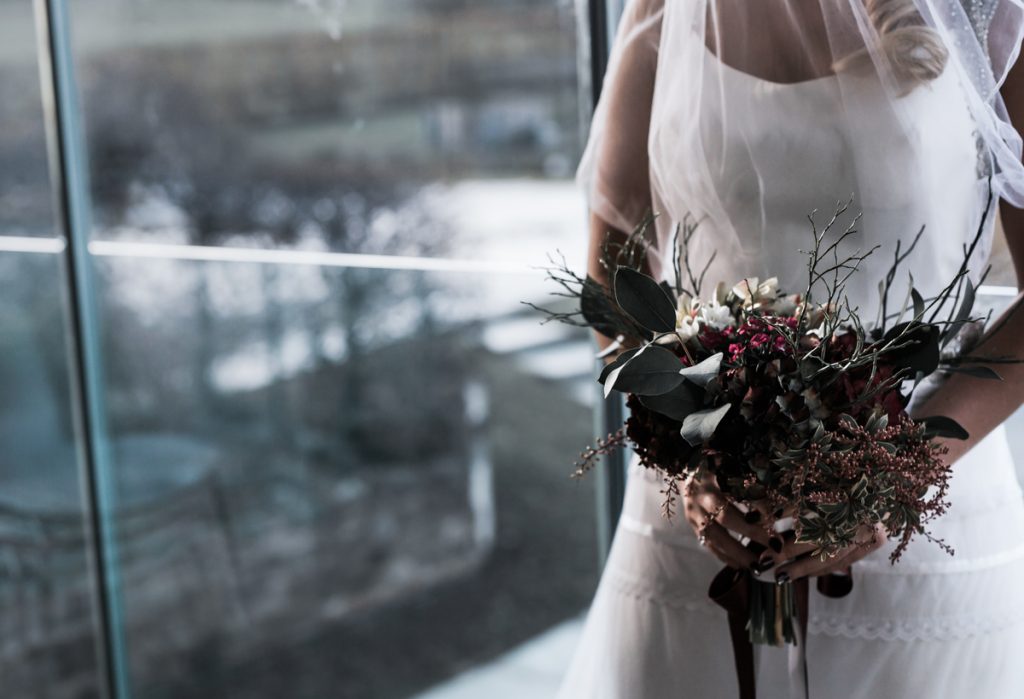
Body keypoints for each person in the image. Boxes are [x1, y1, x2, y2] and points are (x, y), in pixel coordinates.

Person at [558, 1, 1024, 696]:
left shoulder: (983, 11)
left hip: (921, 523)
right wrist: (686, 443)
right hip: (701, 522)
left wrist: (894, 469)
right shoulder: (661, 8)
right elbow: (613, 273)